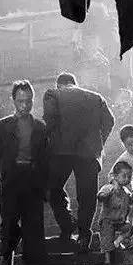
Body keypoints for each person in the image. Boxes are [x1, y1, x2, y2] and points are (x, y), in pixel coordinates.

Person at [43, 71, 115, 252]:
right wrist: (98, 143)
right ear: (74, 83)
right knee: (87, 196)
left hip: (61, 151)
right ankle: (84, 235)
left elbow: (50, 122)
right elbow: (109, 121)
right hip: (89, 152)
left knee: (52, 188)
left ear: (59, 84)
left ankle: (68, 225)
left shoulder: (53, 94)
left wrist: (49, 146)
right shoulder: (96, 98)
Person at [0, 80, 48, 265]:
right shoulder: (3, 125)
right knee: (9, 223)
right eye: (20, 101)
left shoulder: (40, 127)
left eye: (28, 101)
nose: (24, 105)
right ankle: (6, 259)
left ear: (33, 101)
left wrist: (46, 187)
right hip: (10, 181)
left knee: (32, 226)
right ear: (13, 101)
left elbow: (45, 159)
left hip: (32, 181)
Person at [97, 160, 133, 265]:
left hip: (119, 221)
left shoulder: (125, 191)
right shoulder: (109, 188)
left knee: (129, 229)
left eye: (129, 177)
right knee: (107, 238)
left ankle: (117, 242)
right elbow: (101, 195)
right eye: (124, 176)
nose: (127, 179)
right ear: (115, 176)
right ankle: (107, 259)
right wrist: (104, 196)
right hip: (108, 220)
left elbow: (130, 200)